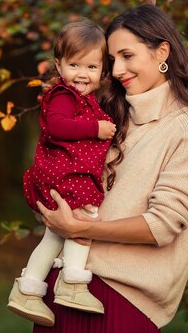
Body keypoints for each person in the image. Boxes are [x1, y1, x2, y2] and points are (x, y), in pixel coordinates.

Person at [35, 4, 188, 333]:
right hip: (62, 286)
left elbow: (161, 226)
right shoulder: (106, 116)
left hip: (119, 303)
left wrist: (79, 229)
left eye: (127, 56)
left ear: (162, 51)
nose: (117, 70)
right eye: (112, 60)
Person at [7, 19, 117, 327]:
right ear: (59, 65)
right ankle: (72, 283)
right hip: (64, 178)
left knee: (53, 237)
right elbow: (57, 126)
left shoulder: (85, 98)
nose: (82, 74)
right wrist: (96, 128)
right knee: (85, 220)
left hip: (63, 177)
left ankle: (27, 289)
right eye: (74, 65)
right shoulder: (63, 96)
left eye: (92, 67)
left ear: (102, 71)